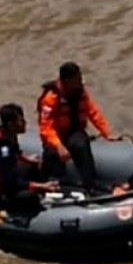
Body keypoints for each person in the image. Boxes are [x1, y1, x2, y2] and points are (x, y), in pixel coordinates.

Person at [36, 61, 114, 192]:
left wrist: (106, 132)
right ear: (66, 81)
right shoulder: (50, 99)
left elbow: (93, 112)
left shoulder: (80, 92)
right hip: (56, 138)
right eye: (77, 79)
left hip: (73, 133)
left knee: (81, 143)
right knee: (54, 163)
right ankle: (45, 182)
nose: (81, 82)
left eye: (80, 78)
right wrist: (59, 147)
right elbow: (46, 129)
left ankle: (90, 185)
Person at [0, 103, 59, 214]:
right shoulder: (2, 150)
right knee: (29, 197)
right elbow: (11, 183)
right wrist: (40, 186)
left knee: (31, 167)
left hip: (4, 180)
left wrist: (27, 159)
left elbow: (15, 153)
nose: (25, 123)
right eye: (21, 121)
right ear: (11, 124)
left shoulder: (8, 135)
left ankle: (45, 192)